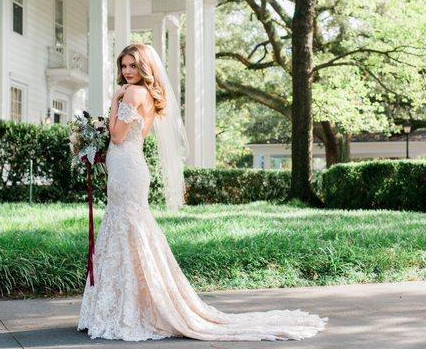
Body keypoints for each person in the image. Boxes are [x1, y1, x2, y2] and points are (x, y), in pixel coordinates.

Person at [76, 43, 328, 341]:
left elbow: (117, 136)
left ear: (143, 68)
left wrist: (114, 102)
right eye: (123, 66)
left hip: (126, 168)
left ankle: (125, 309)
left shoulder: (130, 93)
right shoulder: (146, 95)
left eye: (132, 66)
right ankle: (134, 304)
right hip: (130, 167)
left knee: (127, 227)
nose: (127, 72)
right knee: (131, 228)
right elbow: (133, 136)